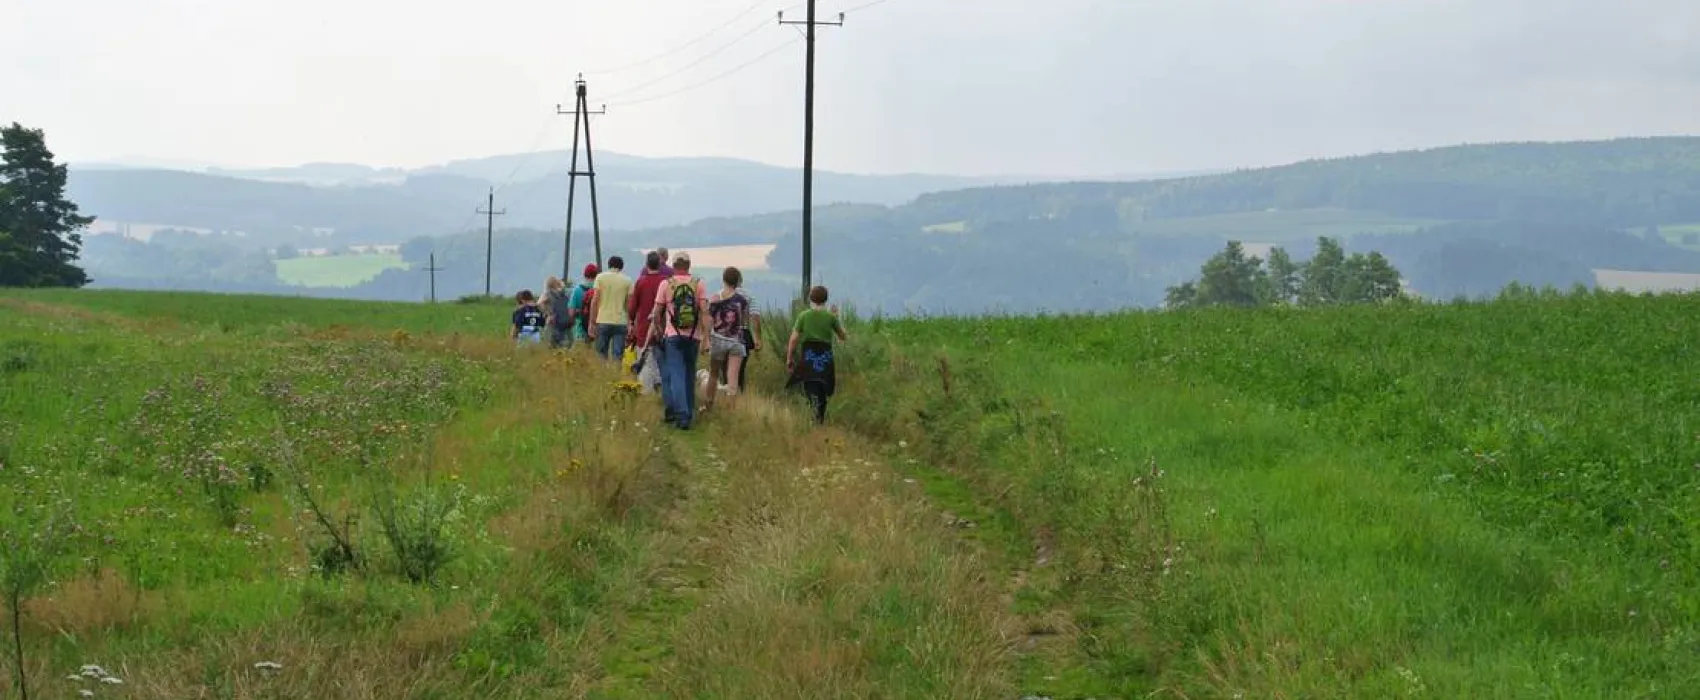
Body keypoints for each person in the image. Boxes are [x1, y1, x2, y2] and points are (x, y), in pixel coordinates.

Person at [651, 251, 707, 429]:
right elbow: (705, 312)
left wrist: (660, 332)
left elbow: (656, 314)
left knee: (676, 375)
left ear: (673, 266)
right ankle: (689, 412)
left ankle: (681, 416)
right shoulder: (698, 284)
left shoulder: (666, 284)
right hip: (694, 337)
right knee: (690, 374)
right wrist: (706, 337)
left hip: (672, 335)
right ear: (689, 266)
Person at [786, 285, 848, 424]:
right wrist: (837, 317)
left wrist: (789, 358)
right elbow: (843, 336)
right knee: (823, 388)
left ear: (810, 298)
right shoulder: (830, 317)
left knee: (810, 386)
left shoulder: (803, 316)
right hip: (825, 356)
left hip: (809, 356)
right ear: (826, 299)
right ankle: (819, 418)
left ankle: (814, 416)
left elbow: (794, 339)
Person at [704, 266, 751, 410]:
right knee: (733, 377)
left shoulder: (715, 298)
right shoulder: (742, 300)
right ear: (738, 282)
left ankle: (709, 404)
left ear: (723, 279)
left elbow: (709, 320)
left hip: (718, 339)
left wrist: (706, 339)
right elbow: (744, 320)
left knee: (713, 373)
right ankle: (730, 410)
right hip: (736, 341)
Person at [627, 250, 667, 392]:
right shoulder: (665, 282)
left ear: (647, 264)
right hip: (663, 329)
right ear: (660, 265)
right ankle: (660, 387)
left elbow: (633, 306)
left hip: (644, 328)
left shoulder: (641, 282)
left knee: (645, 361)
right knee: (660, 361)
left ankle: (645, 392)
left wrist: (631, 321)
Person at [588, 255, 633, 361]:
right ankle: (615, 375)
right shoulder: (627, 281)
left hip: (603, 319)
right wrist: (630, 322)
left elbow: (595, 301)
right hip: (620, 321)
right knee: (617, 355)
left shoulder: (600, 278)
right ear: (621, 267)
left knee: (601, 354)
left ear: (609, 265)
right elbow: (629, 304)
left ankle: (603, 376)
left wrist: (592, 322)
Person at [567, 263, 598, 347]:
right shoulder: (598, 290)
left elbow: (571, 313)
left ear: (585, 275)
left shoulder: (577, 290)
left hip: (580, 329)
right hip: (596, 330)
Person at [543, 276, 573, 349]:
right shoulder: (566, 293)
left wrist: (548, 313)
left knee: (552, 345)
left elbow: (539, 303)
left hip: (553, 322)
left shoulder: (548, 293)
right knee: (566, 345)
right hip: (566, 321)